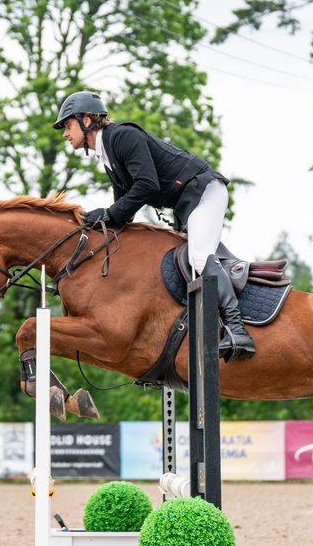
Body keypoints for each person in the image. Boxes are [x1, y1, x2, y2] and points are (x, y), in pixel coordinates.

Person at [53, 90, 256, 361]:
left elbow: (147, 185)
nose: (66, 134)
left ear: (87, 120)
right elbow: (123, 211)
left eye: (68, 126)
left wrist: (110, 212)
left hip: (204, 192)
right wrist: (99, 225)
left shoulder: (123, 136)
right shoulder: (108, 155)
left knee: (198, 257)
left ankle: (237, 329)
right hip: (186, 203)